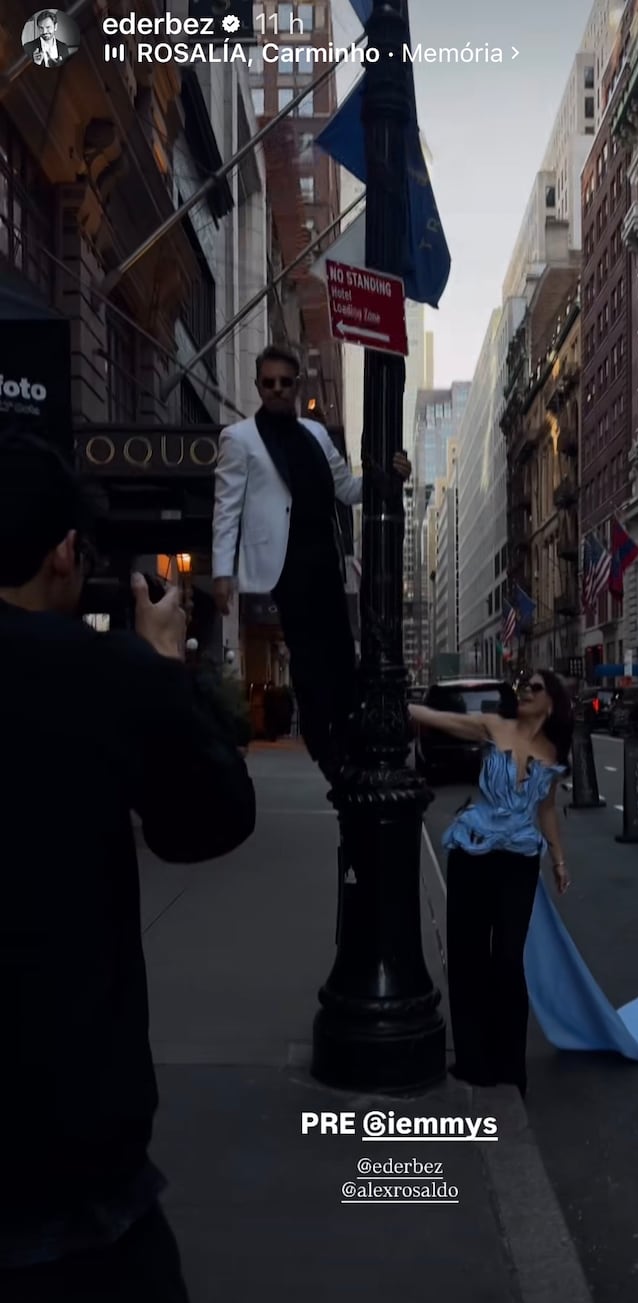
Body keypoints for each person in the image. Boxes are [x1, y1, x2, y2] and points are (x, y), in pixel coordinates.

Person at [0, 432, 257, 1300]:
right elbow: (211, 819)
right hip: (62, 1145)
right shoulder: (99, 672)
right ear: (65, 552)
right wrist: (162, 670)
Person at [212, 344, 411, 781]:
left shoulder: (316, 435)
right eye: (269, 383)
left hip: (323, 557)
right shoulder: (239, 438)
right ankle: (326, 750)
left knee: (340, 651)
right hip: (284, 561)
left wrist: (389, 474)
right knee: (307, 657)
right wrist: (221, 572)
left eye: (285, 382)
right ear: (258, 386)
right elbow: (226, 508)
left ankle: (347, 738)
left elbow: (348, 490)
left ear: (297, 385)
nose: (277, 389)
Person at [409, 670, 573, 1096]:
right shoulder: (495, 726)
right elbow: (442, 719)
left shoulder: (551, 752)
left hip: (518, 860)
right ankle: (473, 1062)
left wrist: (558, 860)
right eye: (523, 686)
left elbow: (547, 808)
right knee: (468, 958)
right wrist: (402, 706)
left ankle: (510, 1066)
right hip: (473, 851)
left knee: (507, 959)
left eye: (535, 688)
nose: (525, 692)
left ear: (551, 702)